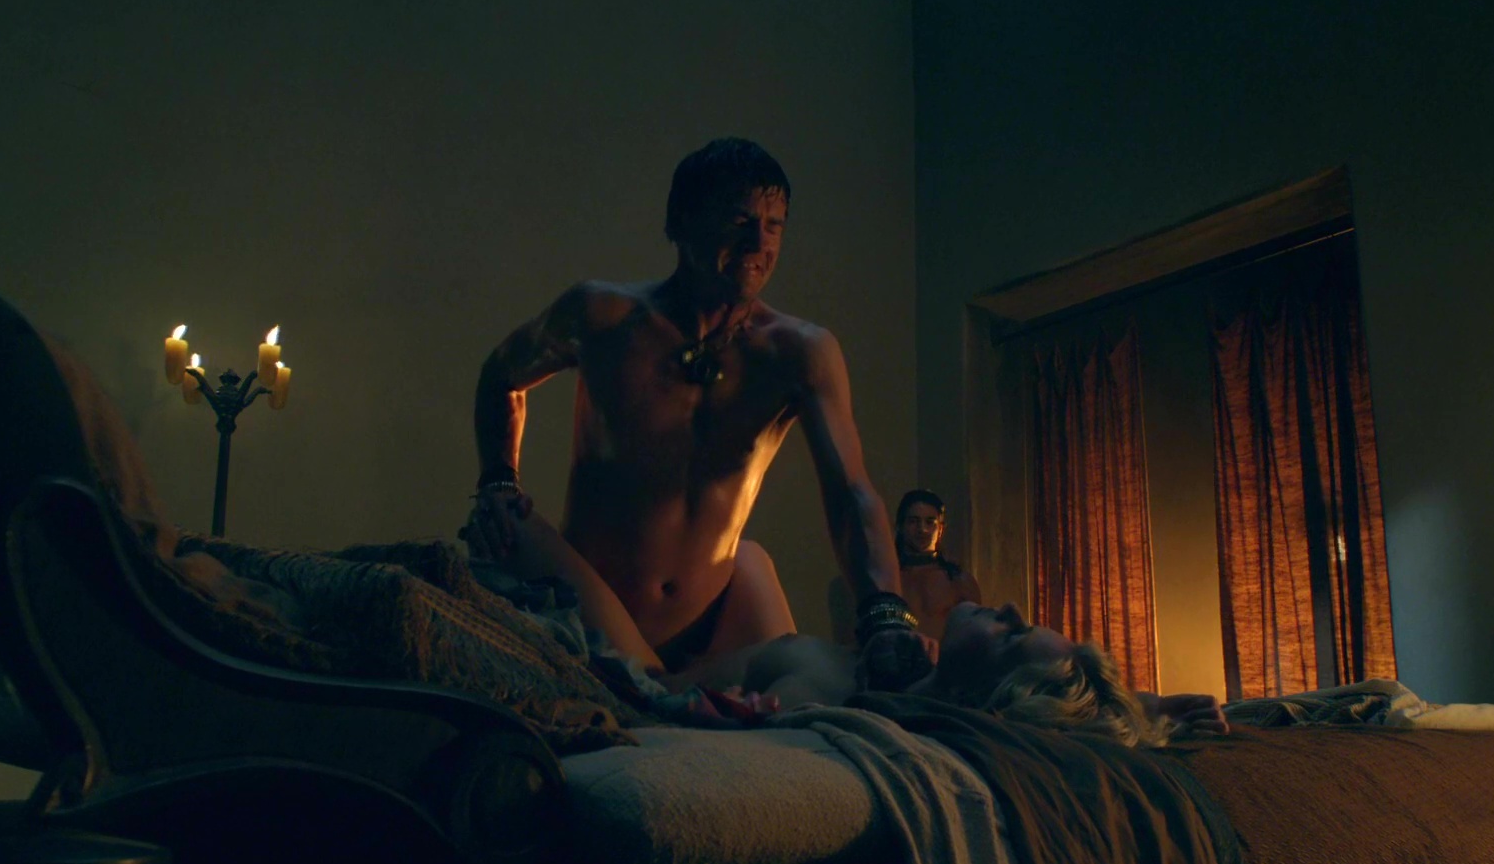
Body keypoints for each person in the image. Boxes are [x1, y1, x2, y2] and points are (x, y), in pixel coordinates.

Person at [463, 138, 929, 697]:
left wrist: (884, 615)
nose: (759, 244)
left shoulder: (799, 352)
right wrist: (498, 480)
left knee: (827, 670)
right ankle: (659, 694)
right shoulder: (601, 315)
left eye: (774, 226)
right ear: (680, 221)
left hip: (713, 621)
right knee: (511, 530)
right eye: (740, 221)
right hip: (594, 611)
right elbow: (501, 375)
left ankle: (676, 693)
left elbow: (851, 491)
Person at [740, 601, 1228, 743]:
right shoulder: (909, 660)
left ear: (973, 699)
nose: (1011, 607)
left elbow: (1045, 723)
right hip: (754, 640)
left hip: (706, 662)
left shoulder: (818, 702)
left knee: (747, 555)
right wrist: (1147, 705)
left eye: (1012, 635)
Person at [891, 489, 983, 642]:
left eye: (930, 522)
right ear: (900, 526)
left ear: (940, 529)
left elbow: (977, 638)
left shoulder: (959, 582)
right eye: (914, 521)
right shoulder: (887, 579)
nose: (922, 530)